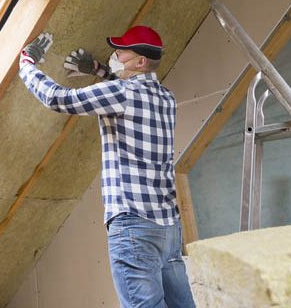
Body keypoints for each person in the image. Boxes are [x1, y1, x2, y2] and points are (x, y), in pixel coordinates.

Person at [18, 26, 196, 308]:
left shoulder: (120, 92)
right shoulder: (166, 99)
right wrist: (99, 69)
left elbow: (58, 99)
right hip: (168, 228)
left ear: (139, 62)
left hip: (133, 224)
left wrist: (26, 64)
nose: (115, 53)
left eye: (122, 51)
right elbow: (130, 94)